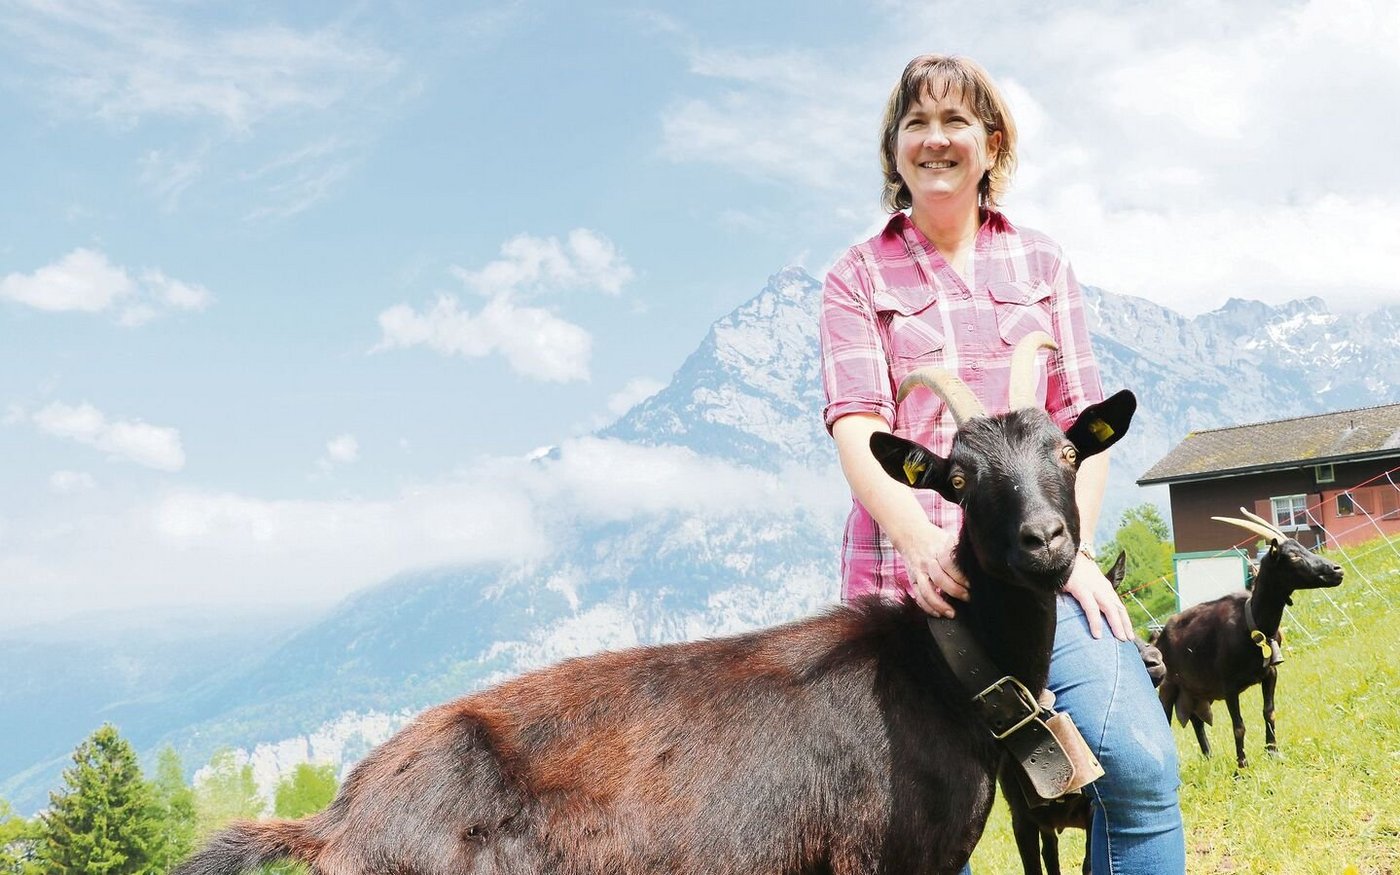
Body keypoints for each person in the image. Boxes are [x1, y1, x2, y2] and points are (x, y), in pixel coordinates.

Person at [818, 54, 1185, 873]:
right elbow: (858, 425)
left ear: (991, 144)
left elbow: (1084, 427)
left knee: (1143, 768)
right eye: (917, 123)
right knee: (898, 836)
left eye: (956, 123)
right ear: (894, 149)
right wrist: (918, 542)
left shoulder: (1043, 263)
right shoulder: (856, 277)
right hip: (919, 595)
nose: (936, 140)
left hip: (1040, 572)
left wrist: (1077, 550)